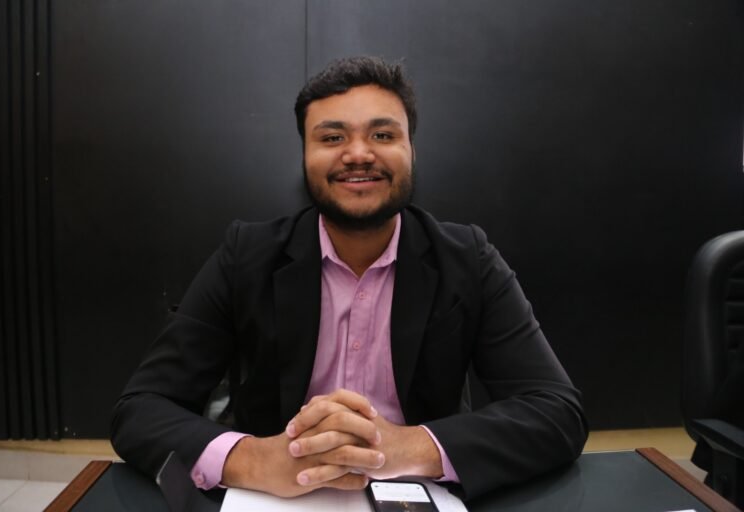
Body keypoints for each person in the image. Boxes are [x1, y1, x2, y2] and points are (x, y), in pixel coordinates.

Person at [111, 56, 588, 501]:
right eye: (332, 137)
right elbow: (141, 408)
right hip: (273, 500)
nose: (358, 154)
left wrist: (406, 448)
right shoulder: (247, 255)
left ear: (411, 149)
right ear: (305, 154)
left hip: (417, 496)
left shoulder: (468, 259)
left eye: (382, 134)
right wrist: (256, 459)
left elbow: (556, 411)